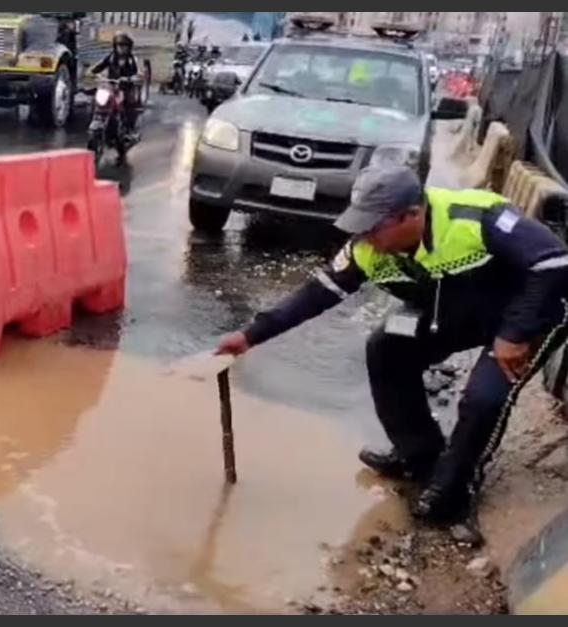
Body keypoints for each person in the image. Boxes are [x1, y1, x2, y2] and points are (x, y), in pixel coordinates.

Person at [216, 166, 568, 528]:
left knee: (483, 397)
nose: (365, 237)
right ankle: (420, 456)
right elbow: (316, 294)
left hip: (528, 315)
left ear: (412, 214)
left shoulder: (475, 217)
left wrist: (514, 333)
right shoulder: (366, 249)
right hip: (452, 311)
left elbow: (554, 261)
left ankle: (455, 487)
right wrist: (250, 336)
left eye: (373, 227)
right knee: (387, 348)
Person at [90, 31, 142, 141]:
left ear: (129, 47)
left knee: (129, 103)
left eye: (124, 45)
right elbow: (99, 66)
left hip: (127, 87)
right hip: (111, 86)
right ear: (115, 46)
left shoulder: (132, 60)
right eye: (119, 45)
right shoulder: (110, 57)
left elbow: (139, 73)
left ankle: (129, 130)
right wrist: (92, 72)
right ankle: (99, 119)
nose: (121, 48)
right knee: (100, 100)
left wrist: (131, 78)